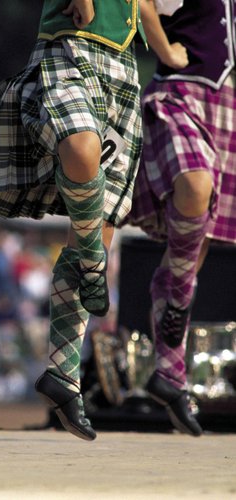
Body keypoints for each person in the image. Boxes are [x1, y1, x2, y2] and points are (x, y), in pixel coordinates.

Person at [0, 0, 148, 440]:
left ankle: (62, 373)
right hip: (71, 49)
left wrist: (166, 50)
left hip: (125, 70)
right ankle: (93, 262)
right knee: (79, 150)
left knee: (97, 223)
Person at [124, 0, 236, 436]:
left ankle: (169, 376)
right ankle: (173, 299)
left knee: (194, 245)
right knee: (194, 186)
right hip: (183, 91)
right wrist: (165, 50)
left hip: (228, 104)